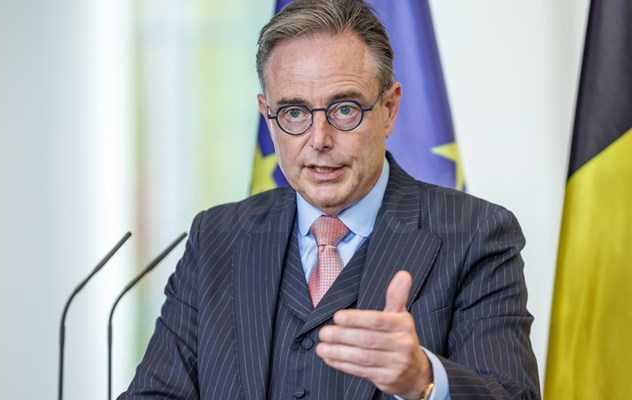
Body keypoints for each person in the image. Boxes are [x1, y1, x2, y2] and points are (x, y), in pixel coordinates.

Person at [120, 0, 540, 398]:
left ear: (389, 108)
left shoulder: (476, 235)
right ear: (267, 115)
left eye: (344, 109)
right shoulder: (217, 238)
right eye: (294, 113)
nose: (319, 140)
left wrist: (423, 380)